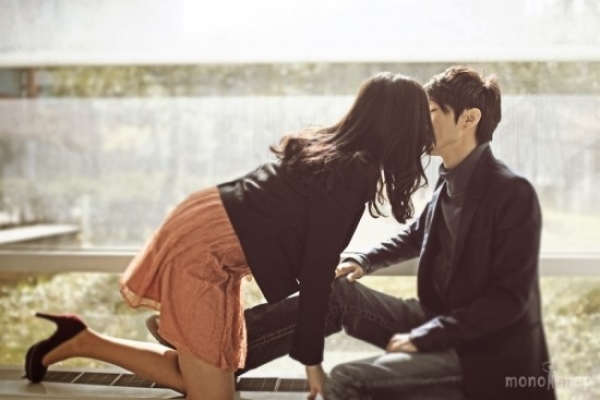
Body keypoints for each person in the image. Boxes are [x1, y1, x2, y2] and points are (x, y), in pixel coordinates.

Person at [149, 66, 553, 399]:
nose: (419, 121)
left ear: (469, 119)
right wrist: (365, 259)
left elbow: (508, 301)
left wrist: (428, 336)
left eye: (430, 110)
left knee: (345, 381)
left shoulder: (511, 192)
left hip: (480, 349)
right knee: (338, 293)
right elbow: (418, 234)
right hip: (435, 319)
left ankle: (205, 353)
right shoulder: (450, 180)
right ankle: (217, 351)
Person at [24, 72, 434, 400]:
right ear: (399, 125)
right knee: (212, 396)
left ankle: (81, 340)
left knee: (210, 380)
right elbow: (316, 271)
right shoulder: (351, 170)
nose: (423, 134)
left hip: (206, 223)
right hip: (204, 248)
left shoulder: (332, 148)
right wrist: (313, 364)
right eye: (420, 121)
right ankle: (86, 341)